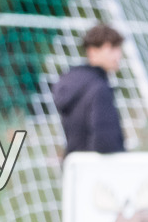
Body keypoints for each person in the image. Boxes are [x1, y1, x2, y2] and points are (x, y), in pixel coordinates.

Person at [53, 24, 126, 156]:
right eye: (111, 48)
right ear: (92, 51)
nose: (118, 55)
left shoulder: (73, 83)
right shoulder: (98, 88)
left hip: (75, 164)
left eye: (118, 48)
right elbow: (107, 143)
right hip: (96, 167)